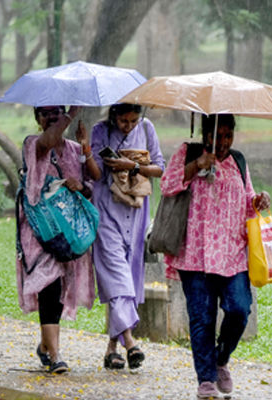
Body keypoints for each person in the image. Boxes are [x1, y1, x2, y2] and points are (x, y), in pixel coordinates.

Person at [160, 114, 271, 399]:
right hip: (194, 254)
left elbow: (246, 201)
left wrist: (258, 201)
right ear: (205, 134)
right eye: (216, 136)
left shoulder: (238, 161)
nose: (222, 142)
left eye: (227, 135)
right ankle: (206, 379)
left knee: (239, 309)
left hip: (232, 255)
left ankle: (221, 358)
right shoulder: (188, 153)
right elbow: (167, 185)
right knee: (202, 317)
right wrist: (197, 164)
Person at [78, 103, 165, 370]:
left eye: (133, 121)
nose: (128, 126)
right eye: (123, 121)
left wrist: (133, 166)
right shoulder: (100, 130)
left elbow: (160, 168)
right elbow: (95, 174)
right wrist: (87, 150)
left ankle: (111, 349)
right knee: (117, 276)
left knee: (127, 278)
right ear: (114, 115)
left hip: (136, 213)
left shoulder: (147, 129)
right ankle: (130, 343)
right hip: (106, 211)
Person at [16, 105, 96, 374]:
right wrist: (70, 113)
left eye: (56, 111)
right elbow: (49, 139)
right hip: (38, 233)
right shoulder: (32, 143)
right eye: (45, 113)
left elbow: (91, 185)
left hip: (67, 233)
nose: (51, 116)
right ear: (37, 118)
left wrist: (80, 185)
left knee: (59, 289)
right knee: (47, 286)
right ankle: (56, 355)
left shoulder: (73, 149)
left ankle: (45, 346)